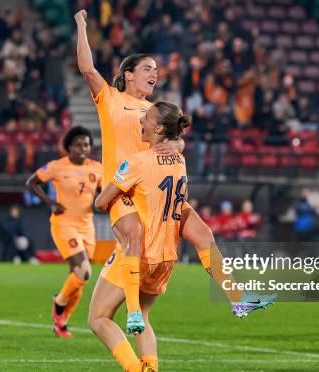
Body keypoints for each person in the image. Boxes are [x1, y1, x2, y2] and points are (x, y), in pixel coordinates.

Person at [75, 10, 272, 335]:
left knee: (203, 234)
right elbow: (86, 67)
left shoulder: (156, 111)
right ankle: (133, 313)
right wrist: (82, 25)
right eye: (148, 69)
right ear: (127, 75)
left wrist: (178, 147)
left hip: (158, 188)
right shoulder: (110, 98)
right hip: (125, 192)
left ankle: (237, 299)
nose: (156, 73)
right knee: (135, 239)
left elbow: (174, 139)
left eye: (157, 69)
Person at [91, 102, 191, 372]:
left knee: (98, 317)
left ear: (159, 128)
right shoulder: (179, 160)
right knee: (143, 317)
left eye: (145, 120)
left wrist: (119, 187)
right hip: (167, 253)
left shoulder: (138, 161)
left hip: (138, 252)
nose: (140, 123)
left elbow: (100, 202)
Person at [26, 126, 102, 338]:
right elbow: (31, 183)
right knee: (84, 271)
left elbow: (104, 193)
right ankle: (59, 302)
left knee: (79, 278)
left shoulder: (97, 168)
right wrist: (50, 202)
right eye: (78, 144)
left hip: (87, 225)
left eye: (86, 144)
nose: (83, 148)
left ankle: (61, 323)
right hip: (64, 224)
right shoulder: (57, 166)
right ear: (69, 146)